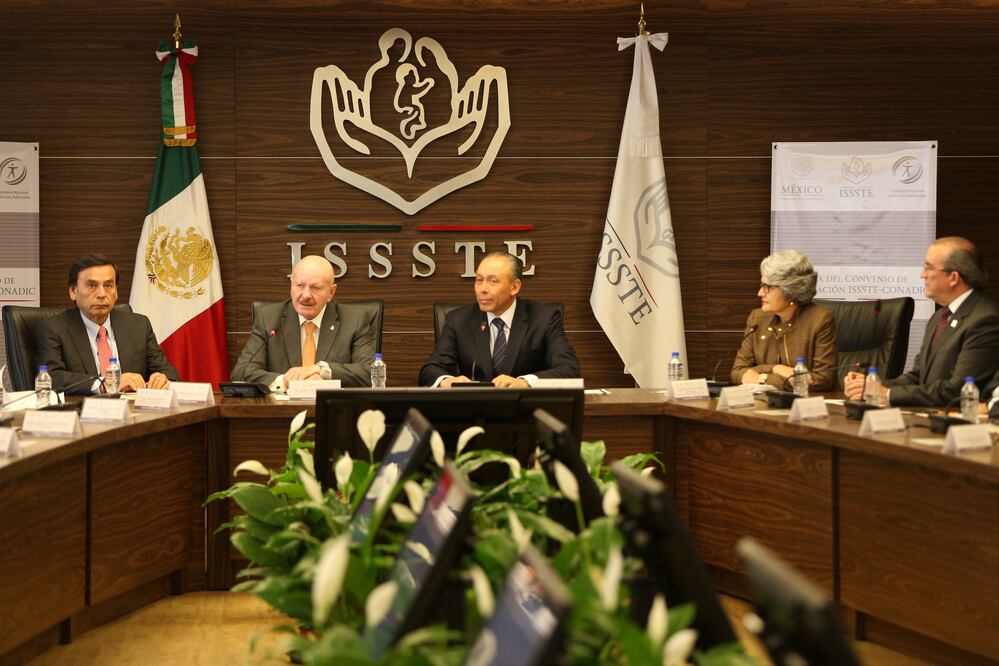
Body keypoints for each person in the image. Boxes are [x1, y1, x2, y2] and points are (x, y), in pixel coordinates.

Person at [844, 237, 999, 406]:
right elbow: (918, 376)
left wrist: (887, 394)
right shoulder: (940, 316)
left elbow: (958, 390)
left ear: (953, 278)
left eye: (929, 267)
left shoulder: (985, 320)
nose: (922, 274)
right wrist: (873, 385)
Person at [419, 252, 580, 387]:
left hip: (527, 414)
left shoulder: (543, 318)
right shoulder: (459, 320)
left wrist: (525, 382)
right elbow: (430, 371)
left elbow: (569, 369)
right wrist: (447, 381)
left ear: (514, 287)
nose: (483, 289)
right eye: (479, 280)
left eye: (493, 281)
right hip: (473, 414)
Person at [36, 255, 180, 395]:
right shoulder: (53, 329)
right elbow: (51, 378)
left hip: (135, 413)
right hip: (83, 413)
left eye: (108, 285)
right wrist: (105, 384)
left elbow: (167, 371)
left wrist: (162, 379)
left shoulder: (139, 325)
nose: (101, 294)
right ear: (73, 291)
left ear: (116, 291)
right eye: (92, 285)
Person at [231, 255, 375, 390]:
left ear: (331, 292)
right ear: (291, 285)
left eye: (315, 288)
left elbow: (371, 373)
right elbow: (242, 372)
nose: (306, 295)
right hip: (281, 412)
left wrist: (321, 370)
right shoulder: (268, 318)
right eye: (300, 285)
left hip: (333, 412)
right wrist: (286, 381)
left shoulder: (354, 320)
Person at [731, 250, 837, 391]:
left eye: (767, 287)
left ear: (791, 290)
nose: (760, 293)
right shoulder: (757, 318)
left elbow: (823, 379)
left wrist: (761, 378)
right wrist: (776, 369)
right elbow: (738, 371)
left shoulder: (820, 320)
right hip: (763, 406)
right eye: (762, 285)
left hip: (806, 407)